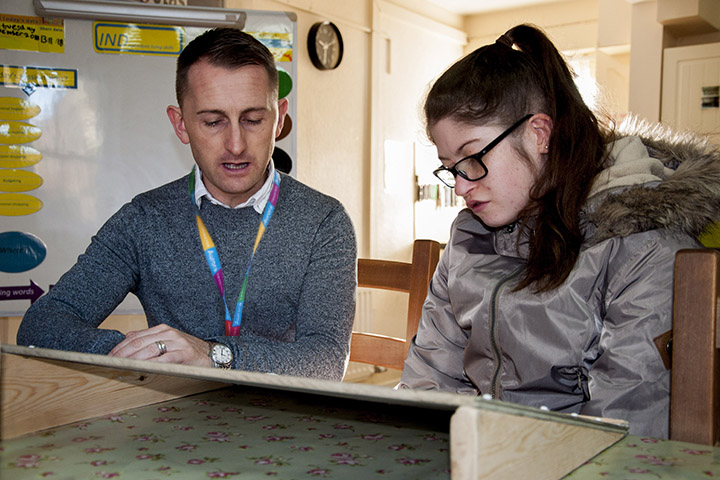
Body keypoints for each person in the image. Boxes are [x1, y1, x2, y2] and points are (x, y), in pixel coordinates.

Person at [398, 24, 720, 438]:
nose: (460, 184)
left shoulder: (643, 245)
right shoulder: (468, 234)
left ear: (539, 133)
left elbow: (623, 428)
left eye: (472, 156)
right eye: (450, 166)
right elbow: (431, 373)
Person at [17, 28, 357, 381]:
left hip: (285, 418)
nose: (236, 144)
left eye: (254, 120)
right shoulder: (144, 220)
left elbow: (326, 362)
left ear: (279, 117)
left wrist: (213, 355)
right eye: (213, 122)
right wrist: (156, 353)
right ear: (180, 124)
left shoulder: (324, 222)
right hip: (170, 416)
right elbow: (41, 327)